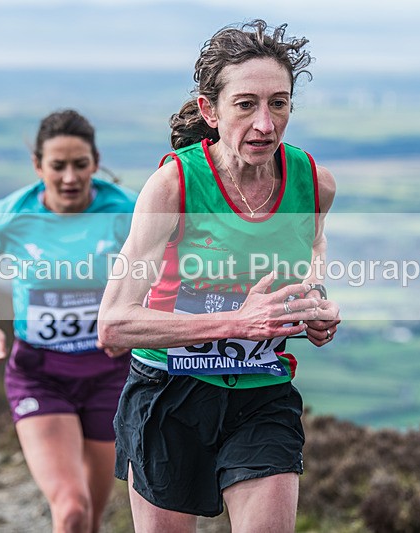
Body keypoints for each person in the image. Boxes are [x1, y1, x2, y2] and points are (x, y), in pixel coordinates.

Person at [98, 20, 340, 532]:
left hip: (260, 391)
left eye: (279, 103)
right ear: (210, 109)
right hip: (169, 391)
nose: (265, 124)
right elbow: (115, 325)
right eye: (245, 104)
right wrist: (235, 321)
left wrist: (314, 301)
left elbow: (313, 245)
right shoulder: (173, 186)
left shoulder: (313, 183)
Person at [0, 109, 136, 533]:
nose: (71, 177)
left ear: (95, 161)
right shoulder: (10, 215)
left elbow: (162, 270)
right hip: (40, 374)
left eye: (80, 164)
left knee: (91, 516)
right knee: (71, 509)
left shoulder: (125, 211)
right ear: (38, 166)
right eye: (58, 166)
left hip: (110, 373)